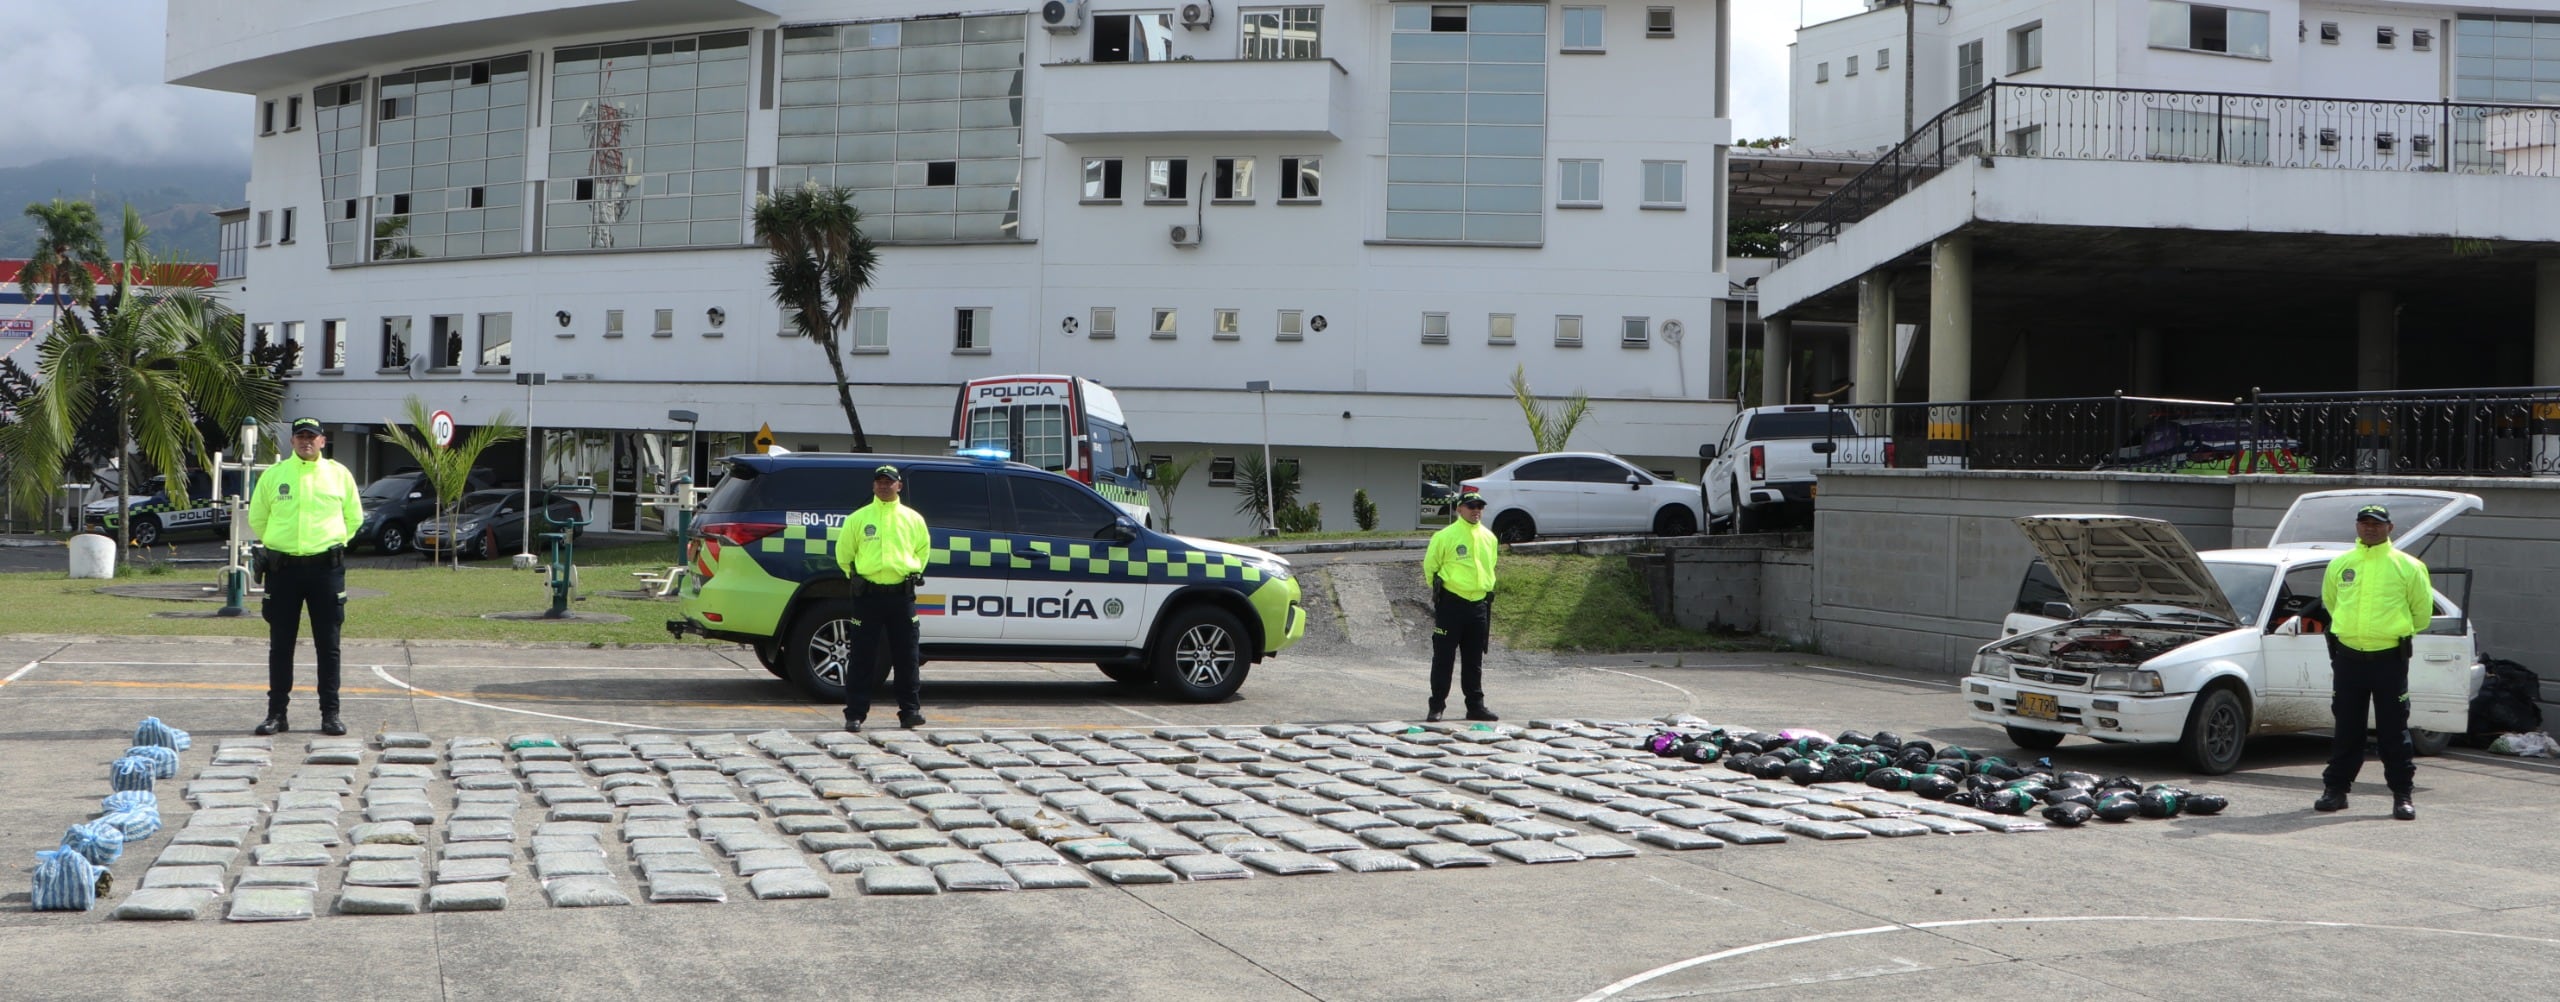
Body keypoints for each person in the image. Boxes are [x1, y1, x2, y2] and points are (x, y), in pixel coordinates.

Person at [246, 418, 362, 736]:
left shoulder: (339, 475)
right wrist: (281, 544)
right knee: (281, 645)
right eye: (300, 436)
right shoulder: (275, 475)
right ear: (293, 441)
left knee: (329, 645)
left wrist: (331, 543)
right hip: (284, 572)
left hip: (326, 570)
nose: (305, 441)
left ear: (323, 441)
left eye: (312, 437)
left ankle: (330, 715)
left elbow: (354, 517)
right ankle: (277, 714)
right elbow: (258, 516)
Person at [2316, 503, 2432, 821]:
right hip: (2348, 659)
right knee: (2346, 729)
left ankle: (2402, 795)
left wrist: (2388, 632)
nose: (2370, 528)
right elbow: (2331, 602)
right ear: (2356, 527)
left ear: (2389, 528)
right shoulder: (2341, 564)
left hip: (2389, 660)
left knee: (2393, 731)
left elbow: (2421, 613)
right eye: (2364, 523)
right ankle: (2336, 791)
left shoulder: (2408, 566)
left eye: (2377, 524)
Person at [835, 464, 932, 731]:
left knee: (907, 656)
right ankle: (854, 715)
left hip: (901, 597)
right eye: (879, 481)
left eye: (889, 482)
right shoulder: (858, 518)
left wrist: (914, 573)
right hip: (868, 597)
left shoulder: (913, 519)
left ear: (899, 486)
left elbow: (922, 551)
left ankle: (910, 711)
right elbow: (844, 554)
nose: (884, 485)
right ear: (873, 486)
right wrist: (855, 579)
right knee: (862, 658)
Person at [1423, 493, 1500, 723]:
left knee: (1474, 660)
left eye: (1479, 507)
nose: (1476, 510)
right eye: (1471, 506)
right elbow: (1431, 566)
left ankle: (1475, 706)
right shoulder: (1445, 536)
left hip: (1478, 605)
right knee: (1443, 658)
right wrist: (1442, 595)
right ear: (1459, 509)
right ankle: (1436, 706)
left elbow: (1491, 566)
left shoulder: (1489, 537)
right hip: (1451, 604)